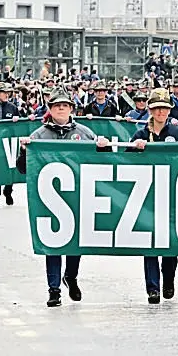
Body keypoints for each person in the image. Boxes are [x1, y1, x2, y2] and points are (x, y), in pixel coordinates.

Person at [16, 88, 110, 307]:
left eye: (65, 105)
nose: (61, 108)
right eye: (57, 105)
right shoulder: (38, 135)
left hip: (79, 196)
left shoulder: (85, 133)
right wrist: (23, 151)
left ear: (71, 109)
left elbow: (103, 164)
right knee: (53, 243)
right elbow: (22, 169)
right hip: (49, 199)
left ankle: (71, 276)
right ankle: (54, 289)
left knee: (76, 242)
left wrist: (103, 148)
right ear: (50, 109)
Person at [128, 88, 178, 304]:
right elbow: (125, 162)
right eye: (157, 108)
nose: (161, 112)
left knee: (170, 242)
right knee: (149, 242)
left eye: (165, 108)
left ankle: (168, 279)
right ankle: (152, 287)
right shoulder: (141, 133)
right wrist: (135, 149)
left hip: (172, 194)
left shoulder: (177, 133)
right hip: (148, 196)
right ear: (150, 110)